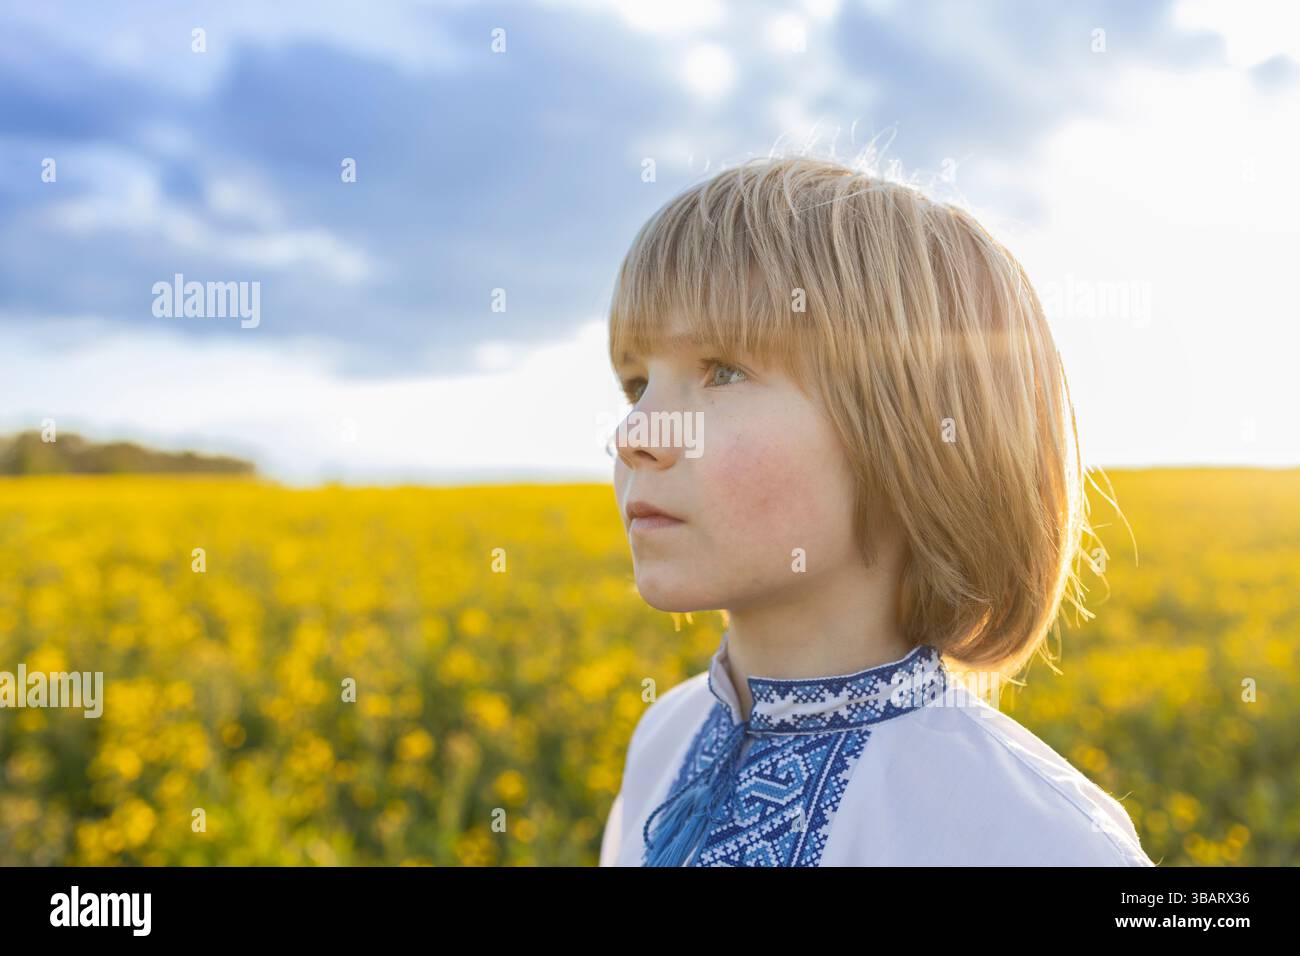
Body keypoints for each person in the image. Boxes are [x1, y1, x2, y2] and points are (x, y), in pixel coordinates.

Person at [598, 155, 1156, 867]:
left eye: (724, 371)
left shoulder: (1038, 841)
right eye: (637, 383)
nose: (636, 434)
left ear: (916, 434)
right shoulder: (663, 739)